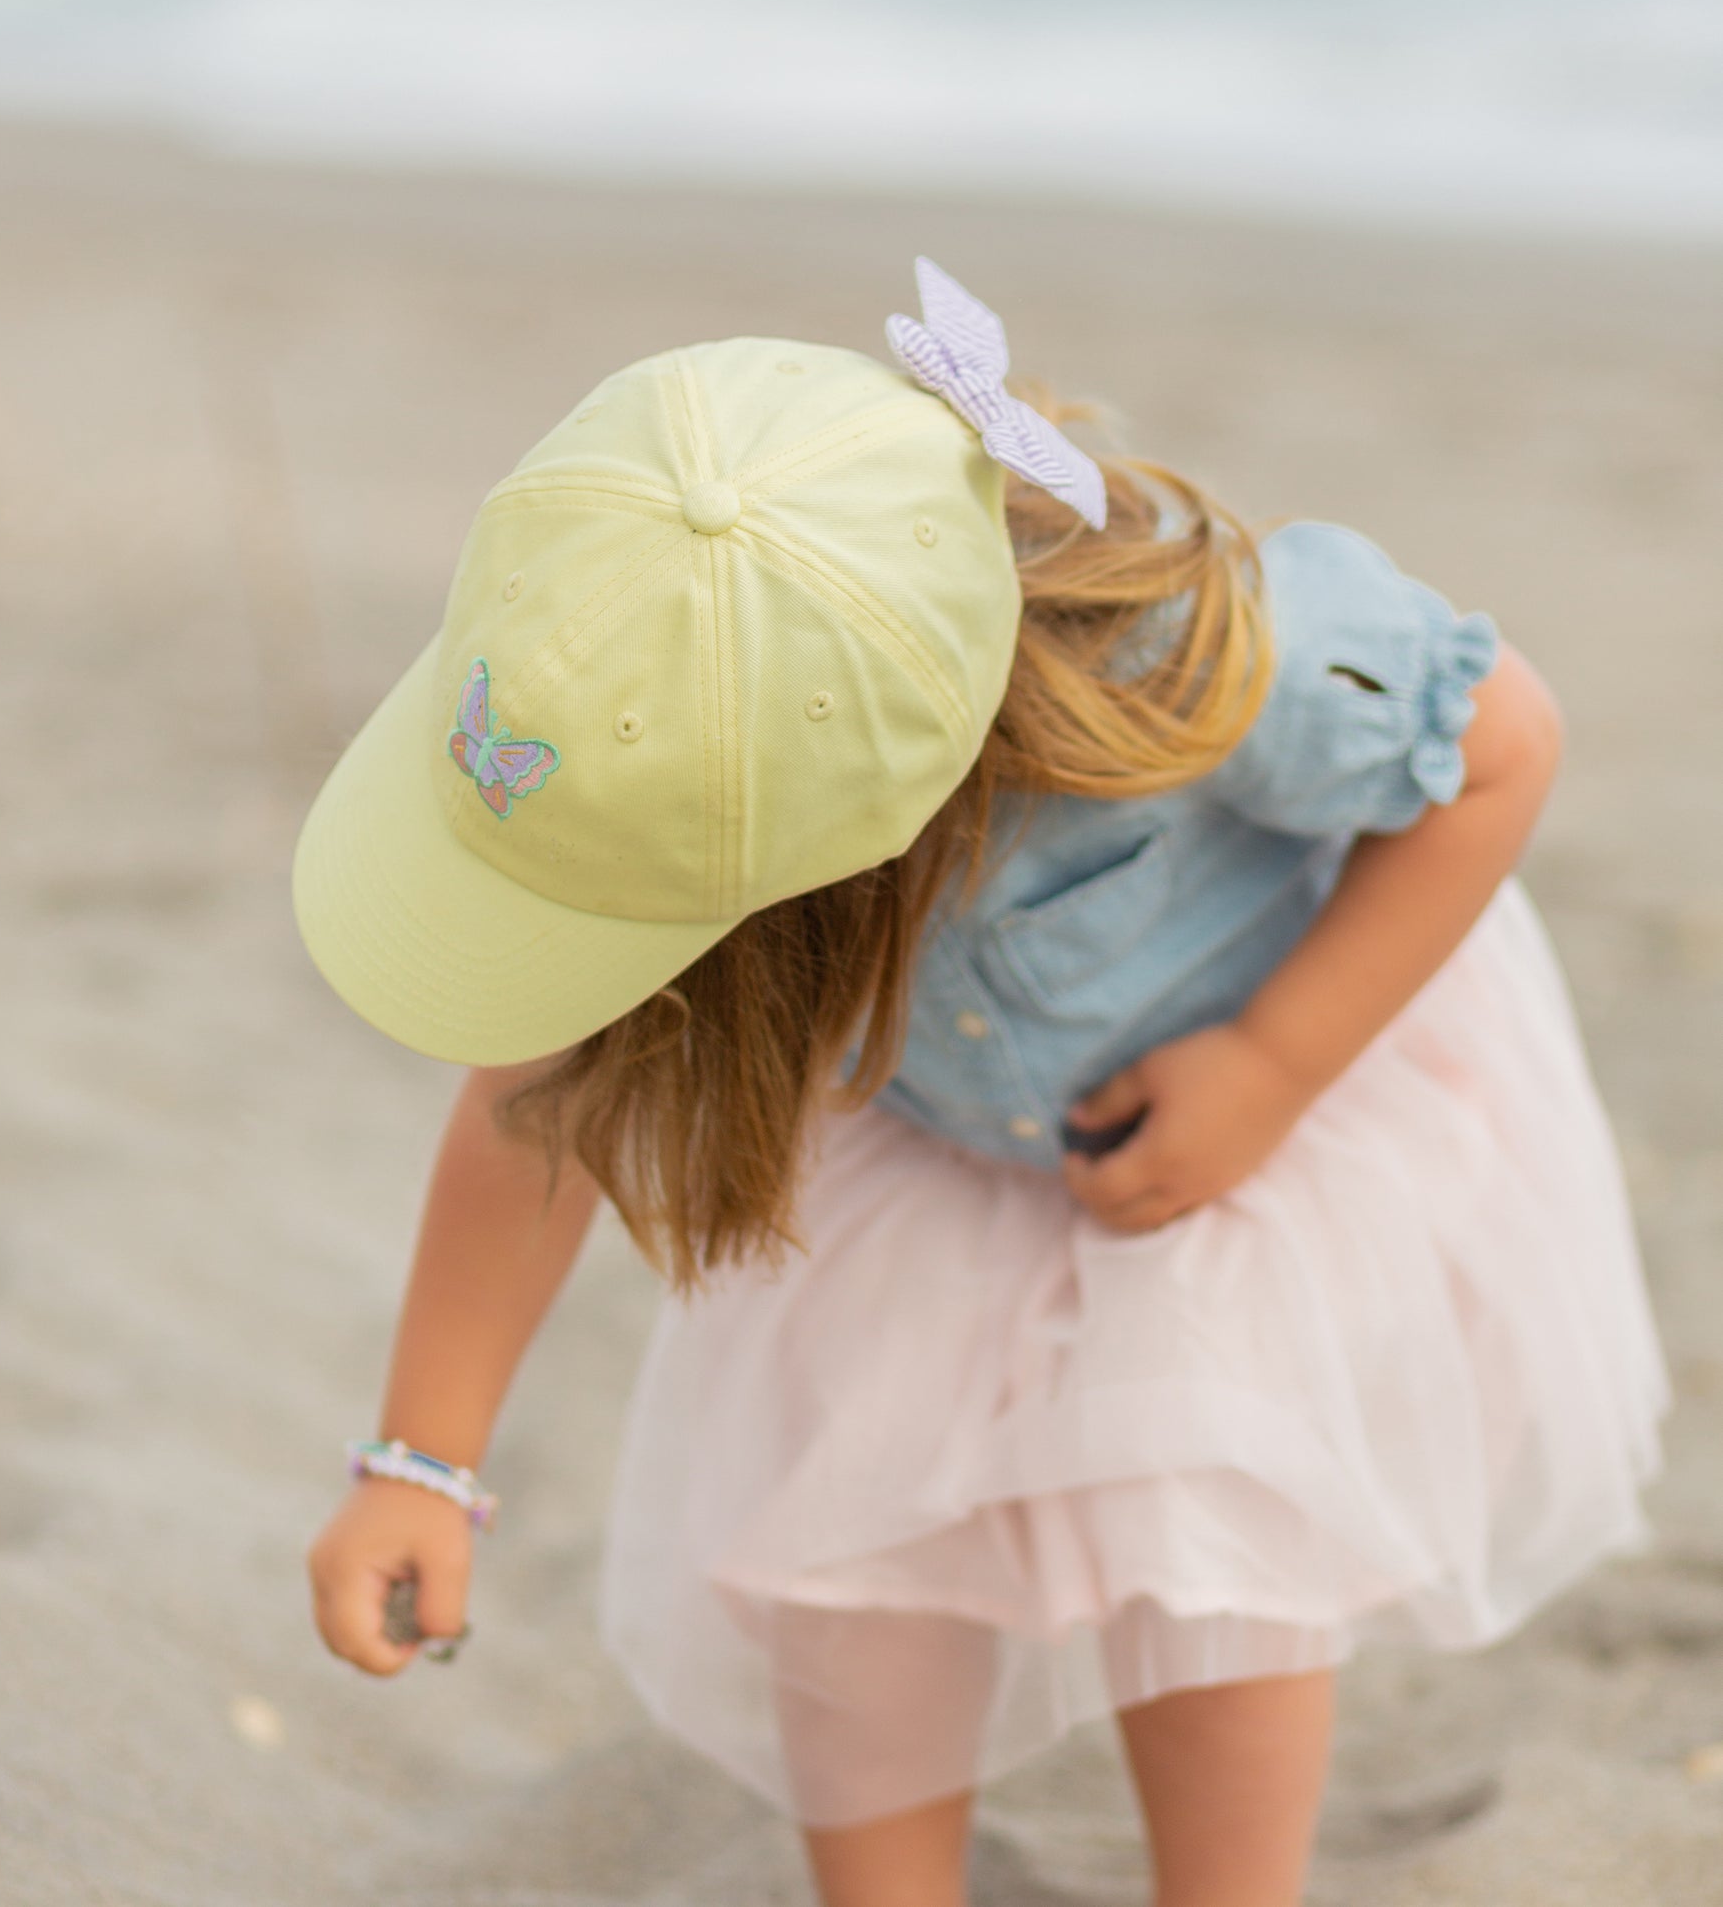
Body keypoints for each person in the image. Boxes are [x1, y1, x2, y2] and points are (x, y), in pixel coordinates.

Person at [295, 260, 1670, 1907]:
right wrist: (418, 1462)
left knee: (1204, 1545)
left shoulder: (1178, 656)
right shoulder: (643, 726)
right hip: (933, 1146)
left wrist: (1273, 1060)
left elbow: (1502, 738)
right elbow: (536, 1109)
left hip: (1243, 1118)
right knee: (846, 1567)